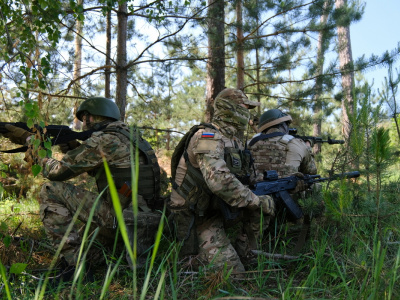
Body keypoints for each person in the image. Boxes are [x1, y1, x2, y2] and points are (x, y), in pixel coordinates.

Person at [3, 97, 162, 279]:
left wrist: (33, 144)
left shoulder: (105, 140)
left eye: (83, 119)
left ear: (90, 117)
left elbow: (56, 172)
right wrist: (73, 146)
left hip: (122, 219)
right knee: (89, 253)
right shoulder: (130, 137)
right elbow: (105, 167)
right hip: (143, 219)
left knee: (50, 189)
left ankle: (76, 270)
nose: (83, 124)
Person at [168, 88, 275, 273]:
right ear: (229, 108)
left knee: (265, 206)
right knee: (233, 275)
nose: (248, 112)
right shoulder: (207, 136)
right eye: (244, 107)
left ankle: (247, 253)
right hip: (196, 215)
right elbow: (219, 180)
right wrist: (256, 201)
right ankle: (197, 257)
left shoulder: (234, 141)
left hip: (217, 207)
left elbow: (246, 177)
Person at [248, 108, 317, 181]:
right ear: (283, 126)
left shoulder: (249, 143)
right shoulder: (295, 143)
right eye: (287, 124)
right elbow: (311, 171)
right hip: (288, 191)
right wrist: (307, 147)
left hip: (250, 191)